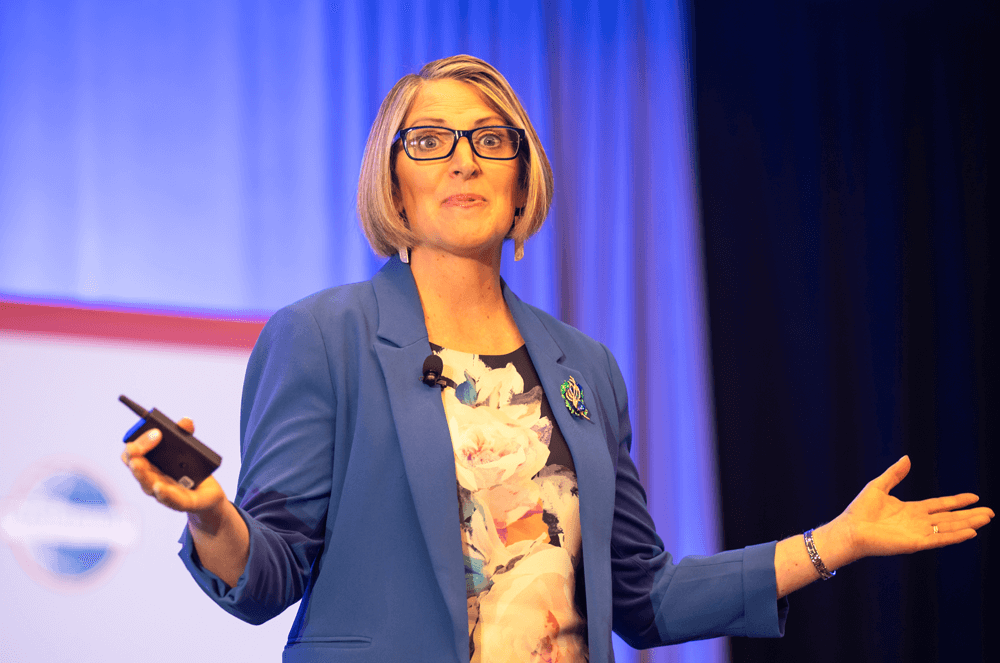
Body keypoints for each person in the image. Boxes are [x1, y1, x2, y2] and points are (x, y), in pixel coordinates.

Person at [121, 55, 993, 663]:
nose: (462, 159)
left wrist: (831, 542)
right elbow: (266, 574)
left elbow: (644, 599)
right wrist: (208, 514)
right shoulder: (322, 336)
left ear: (522, 178)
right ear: (393, 181)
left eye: (489, 140)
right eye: (429, 140)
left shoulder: (585, 367)